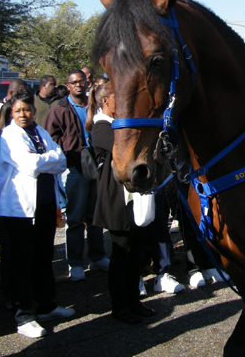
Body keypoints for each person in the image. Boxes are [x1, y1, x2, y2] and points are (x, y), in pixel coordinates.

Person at [0, 90, 73, 338]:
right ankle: (24, 316)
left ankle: (46, 306)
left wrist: (44, 159)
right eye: (17, 110)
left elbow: (61, 161)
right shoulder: (9, 135)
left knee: (43, 258)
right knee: (21, 263)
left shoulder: (40, 131)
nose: (23, 114)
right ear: (11, 112)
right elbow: (30, 166)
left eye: (27, 109)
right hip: (19, 211)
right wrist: (46, 159)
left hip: (46, 207)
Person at [90, 83, 159, 324]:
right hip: (116, 199)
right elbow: (123, 148)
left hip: (132, 198)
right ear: (105, 101)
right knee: (122, 255)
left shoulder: (119, 125)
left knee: (136, 252)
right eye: (117, 98)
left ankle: (133, 301)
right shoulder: (101, 127)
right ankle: (119, 306)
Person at [44, 69, 108, 281]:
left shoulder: (96, 104)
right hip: (76, 169)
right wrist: (67, 153)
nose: (78, 85)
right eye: (74, 82)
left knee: (95, 217)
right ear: (68, 85)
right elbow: (50, 138)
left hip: (98, 168)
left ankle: (97, 257)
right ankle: (75, 263)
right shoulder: (60, 108)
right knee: (75, 218)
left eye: (81, 81)